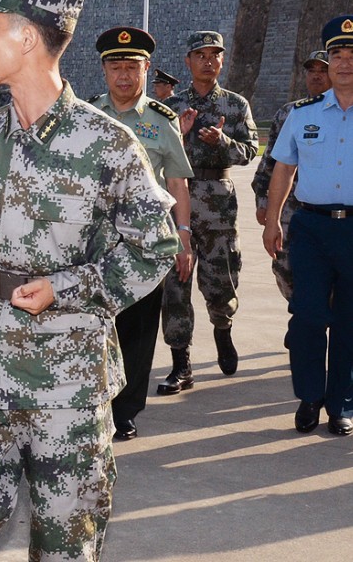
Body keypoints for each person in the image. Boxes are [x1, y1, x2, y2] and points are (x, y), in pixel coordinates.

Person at [0, 0, 178, 561]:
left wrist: (66, 288)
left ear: (26, 38)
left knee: (67, 543)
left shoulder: (109, 143)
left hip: (67, 378)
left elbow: (156, 246)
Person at [89, 27, 194, 441]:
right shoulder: (88, 115)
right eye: (116, 66)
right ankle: (92, 401)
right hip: (93, 243)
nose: (124, 75)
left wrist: (183, 237)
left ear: (146, 69)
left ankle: (126, 410)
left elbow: (178, 183)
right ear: (103, 70)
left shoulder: (161, 121)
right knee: (95, 324)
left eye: (132, 66)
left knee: (137, 329)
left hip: (144, 245)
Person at [263, 16, 353, 437]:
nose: (344, 63)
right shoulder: (304, 115)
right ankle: (310, 397)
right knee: (307, 316)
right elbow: (284, 168)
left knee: (350, 321)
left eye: (352, 56)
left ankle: (341, 405)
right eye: (337, 55)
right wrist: (272, 222)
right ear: (327, 62)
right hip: (311, 229)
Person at [159, 31, 259, 393]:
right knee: (175, 288)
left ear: (222, 60)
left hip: (218, 205)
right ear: (188, 62)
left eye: (214, 55)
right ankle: (180, 364)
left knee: (220, 284)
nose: (208, 61)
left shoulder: (235, 105)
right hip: (177, 205)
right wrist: (180, 137)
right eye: (200, 55)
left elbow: (249, 151)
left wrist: (224, 143)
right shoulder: (170, 106)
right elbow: (154, 151)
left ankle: (222, 329)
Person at [251, 50, 331, 302]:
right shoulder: (290, 113)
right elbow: (269, 165)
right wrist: (263, 202)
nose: (316, 76)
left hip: (330, 211)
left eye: (323, 70)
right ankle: (299, 318)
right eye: (312, 71)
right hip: (290, 210)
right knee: (285, 269)